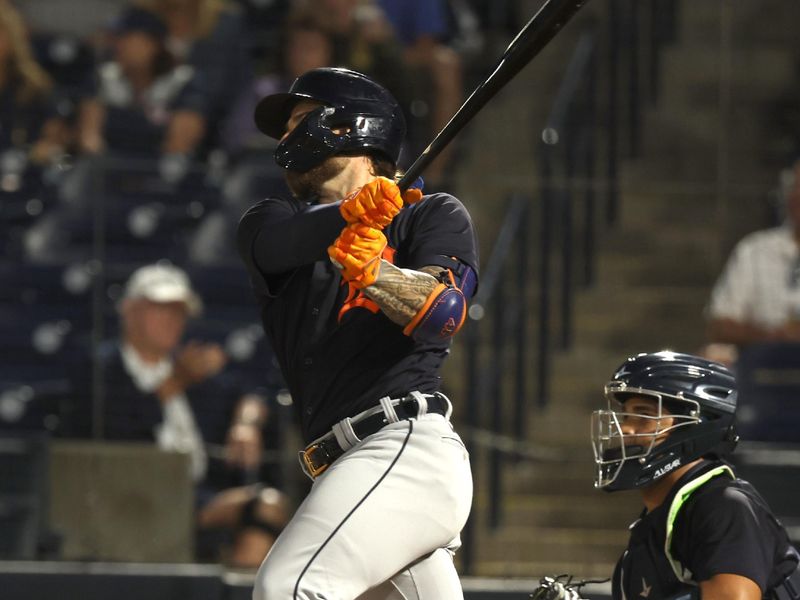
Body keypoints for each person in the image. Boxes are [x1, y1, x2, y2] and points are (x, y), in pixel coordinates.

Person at [237, 67, 479, 598]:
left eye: (300, 119)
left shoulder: (429, 215)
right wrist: (347, 217)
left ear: (350, 127)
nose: (284, 137)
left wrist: (376, 273)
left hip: (402, 446)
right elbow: (275, 246)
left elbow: (443, 313)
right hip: (346, 468)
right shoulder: (271, 220)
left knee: (290, 587)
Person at [66, 262, 290, 568]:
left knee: (267, 506)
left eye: (179, 312)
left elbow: (252, 391)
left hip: (196, 497)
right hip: (128, 499)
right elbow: (111, 432)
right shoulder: (102, 371)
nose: (172, 320)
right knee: (262, 507)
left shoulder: (193, 374)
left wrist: (245, 423)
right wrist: (175, 382)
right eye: (161, 309)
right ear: (130, 311)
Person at [590, 350, 800, 600]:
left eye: (644, 415)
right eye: (625, 415)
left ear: (693, 426)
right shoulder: (652, 530)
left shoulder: (724, 505)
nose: (625, 428)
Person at [704, 159, 800, 365]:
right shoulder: (754, 250)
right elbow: (719, 325)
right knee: (713, 355)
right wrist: (774, 336)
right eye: (796, 188)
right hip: (763, 366)